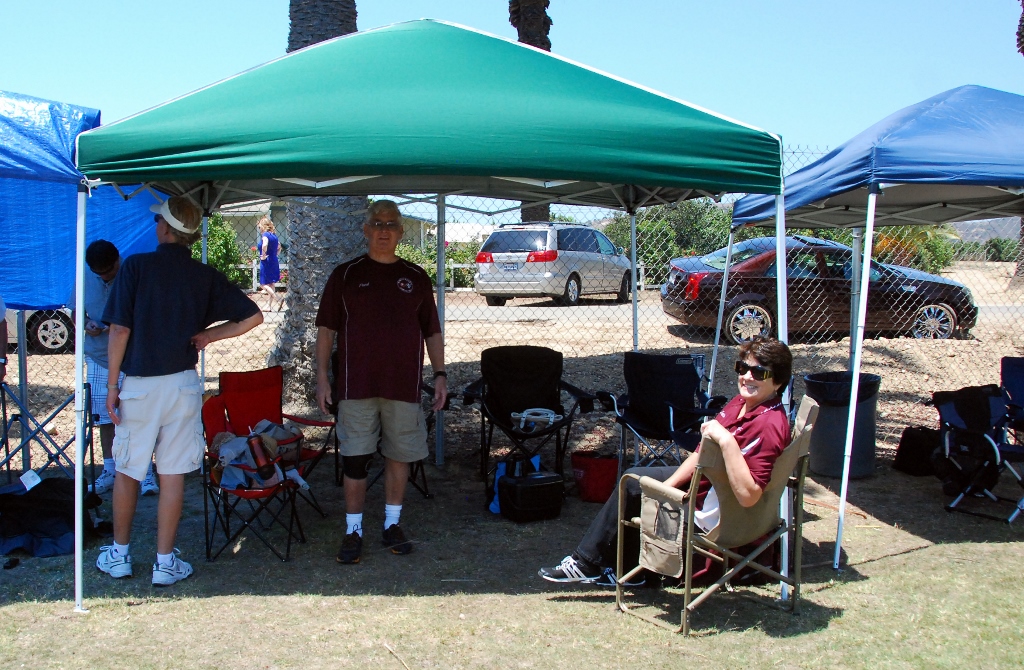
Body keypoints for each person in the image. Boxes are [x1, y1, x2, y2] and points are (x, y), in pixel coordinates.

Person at [96, 196, 263, 587]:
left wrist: (111, 384)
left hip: (140, 384)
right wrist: (208, 336)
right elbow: (253, 316)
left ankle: (119, 555)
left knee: (128, 470)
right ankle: (164, 562)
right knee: (171, 473)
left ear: (166, 229)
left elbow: (119, 330)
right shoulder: (203, 274)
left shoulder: (136, 266)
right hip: (182, 384)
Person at [538, 336, 793, 585]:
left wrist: (726, 441)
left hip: (713, 510)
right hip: (702, 485)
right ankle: (624, 570)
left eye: (759, 373)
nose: (747, 377)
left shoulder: (768, 425)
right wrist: (665, 488)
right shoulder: (742, 403)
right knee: (635, 480)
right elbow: (701, 454)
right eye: (743, 368)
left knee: (634, 485)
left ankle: (588, 564)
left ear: (778, 382)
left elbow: (749, 496)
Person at [315, 199, 446, 565]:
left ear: (401, 232)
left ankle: (392, 524)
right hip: (355, 386)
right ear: (366, 230)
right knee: (355, 460)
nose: (383, 230)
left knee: (398, 455)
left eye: (390, 224)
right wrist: (322, 378)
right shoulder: (345, 275)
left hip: (402, 386)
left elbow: (432, 331)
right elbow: (325, 331)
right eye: (377, 223)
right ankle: (353, 530)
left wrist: (440, 374)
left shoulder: (416, 277)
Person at [80, 241, 158, 496]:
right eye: (98, 273)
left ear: (118, 261)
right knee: (105, 417)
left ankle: (145, 472)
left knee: (138, 416)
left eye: (108, 272)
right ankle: (110, 470)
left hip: (133, 359)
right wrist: (87, 324)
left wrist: (118, 328)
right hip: (99, 357)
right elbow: (76, 312)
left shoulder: (134, 275)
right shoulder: (84, 276)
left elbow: (148, 316)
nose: (103, 277)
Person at [257, 216, 283, 311]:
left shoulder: (265, 235)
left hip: (266, 261)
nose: (259, 229)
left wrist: (263, 255)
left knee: (263, 284)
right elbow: (279, 247)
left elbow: (265, 244)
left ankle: (278, 298)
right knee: (271, 283)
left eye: (259, 227)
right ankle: (269, 306)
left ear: (263, 226)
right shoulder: (274, 236)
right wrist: (275, 254)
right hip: (274, 260)